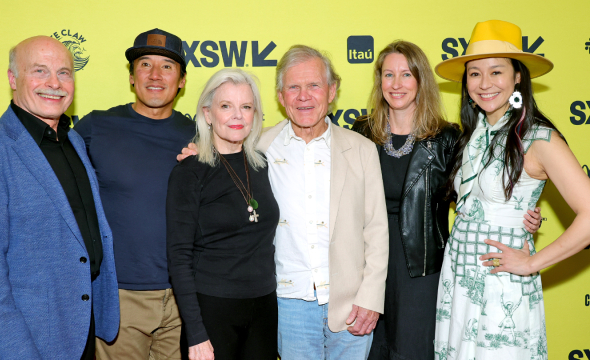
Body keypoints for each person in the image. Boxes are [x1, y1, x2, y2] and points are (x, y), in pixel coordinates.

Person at [179, 45, 389, 360]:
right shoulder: (258, 146)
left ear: (331, 91)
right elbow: (218, 155)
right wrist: (198, 153)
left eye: (314, 85)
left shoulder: (361, 149)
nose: (303, 96)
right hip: (287, 305)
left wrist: (371, 297)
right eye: (293, 87)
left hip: (352, 305)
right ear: (280, 97)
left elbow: (376, 229)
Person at [351, 40, 542, 360]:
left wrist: (521, 214)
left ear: (421, 81)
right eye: (388, 75)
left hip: (421, 269)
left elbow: (476, 196)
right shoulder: (360, 132)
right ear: (379, 81)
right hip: (367, 264)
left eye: (407, 75)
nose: (396, 84)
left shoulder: (448, 138)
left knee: (412, 352)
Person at [0, 36, 119, 359]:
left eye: (64, 73)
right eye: (40, 71)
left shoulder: (73, 142)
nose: (54, 83)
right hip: (27, 340)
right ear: (13, 79)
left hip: (79, 329)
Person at [433, 20, 590, 359]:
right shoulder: (473, 134)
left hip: (500, 285)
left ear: (518, 76)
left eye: (496, 72)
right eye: (474, 73)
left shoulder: (539, 138)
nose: (484, 83)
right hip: (459, 280)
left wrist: (532, 263)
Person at [73, 28, 195, 359]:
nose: (156, 76)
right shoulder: (95, 127)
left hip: (184, 300)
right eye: (145, 64)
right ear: (131, 76)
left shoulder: (199, 134)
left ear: (182, 80)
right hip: (120, 298)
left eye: (167, 67)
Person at [167, 68, 279, 360]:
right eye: (226, 106)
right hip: (212, 310)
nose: (237, 116)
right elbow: (179, 256)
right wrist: (196, 333)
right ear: (207, 114)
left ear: (255, 114)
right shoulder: (189, 172)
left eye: (246, 107)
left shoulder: (262, 164)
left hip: (264, 308)